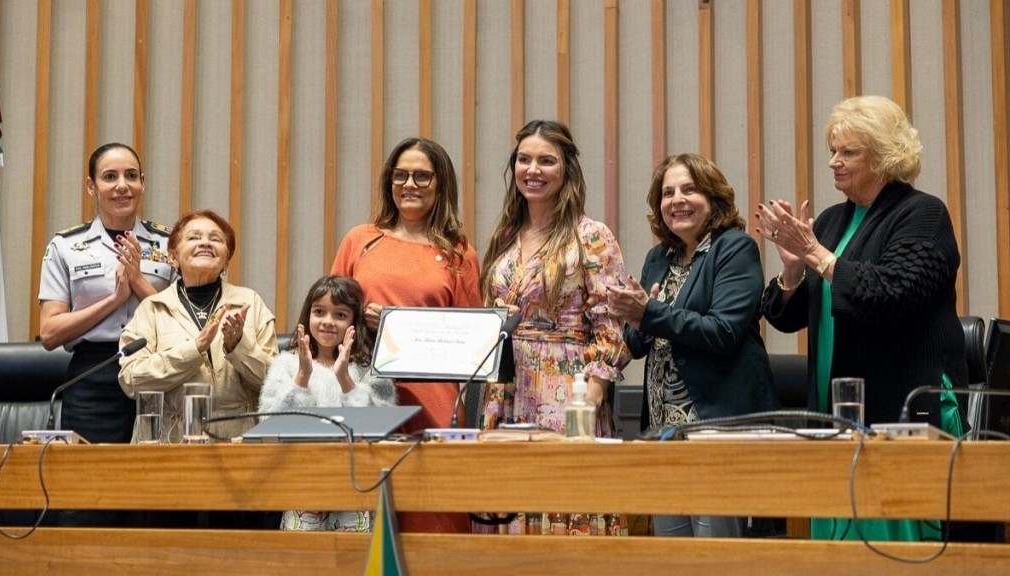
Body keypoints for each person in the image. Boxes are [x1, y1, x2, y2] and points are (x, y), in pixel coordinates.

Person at [756, 94, 967, 541]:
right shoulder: (832, 221)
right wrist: (793, 269)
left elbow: (890, 294)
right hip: (834, 415)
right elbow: (789, 316)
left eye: (848, 152)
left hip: (902, 409)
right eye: (832, 150)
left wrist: (814, 253)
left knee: (895, 550)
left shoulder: (923, 215)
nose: (833, 161)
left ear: (885, 156)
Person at [607, 152, 777, 538]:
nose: (676, 200)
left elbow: (724, 331)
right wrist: (632, 316)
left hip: (716, 426)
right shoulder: (659, 257)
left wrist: (649, 312)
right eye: (667, 193)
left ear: (713, 198)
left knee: (715, 554)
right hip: (665, 430)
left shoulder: (734, 249)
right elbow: (640, 341)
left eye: (689, 189)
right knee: (672, 551)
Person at [331, 137, 481, 533]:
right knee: (364, 515)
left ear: (440, 183)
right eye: (401, 175)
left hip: (436, 400)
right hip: (363, 391)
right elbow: (327, 316)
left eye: (422, 176)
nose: (410, 184)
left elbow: (472, 340)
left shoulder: (459, 252)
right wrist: (358, 317)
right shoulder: (360, 239)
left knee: (436, 518)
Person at [38, 142, 174, 527]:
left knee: (153, 498)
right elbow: (50, 333)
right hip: (94, 374)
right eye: (110, 176)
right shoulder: (65, 246)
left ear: (143, 183)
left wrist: (138, 285)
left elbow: (184, 321)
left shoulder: (171, 243)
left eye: (131, 176)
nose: (122, 185)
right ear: (91, 186)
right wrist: (114, 299)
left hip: (160, 373)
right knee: (86, 498)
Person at [478, 119, 630, 436]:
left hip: (565, 387)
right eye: (524, 159)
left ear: (566, 170)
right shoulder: (505, 236)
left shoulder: (591, 236)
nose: (533, 170)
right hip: (505, 383)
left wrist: (593, 394)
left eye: (546, 161)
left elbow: (611, 324)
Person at [118, 209, 278, 444]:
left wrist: (238, 347)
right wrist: (194, 349)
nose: (205, 242)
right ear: (173, 257)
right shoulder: (152, 308)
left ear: (226, 260)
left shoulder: (250, 303)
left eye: (216, 239)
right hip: (168, 446)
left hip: (239, 445)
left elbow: (275, 384)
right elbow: (132, 380)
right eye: (193, 237)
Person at [259, 275, 397, 531]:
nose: (328, 322)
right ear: (307, 316)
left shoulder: (370, 368)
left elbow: (381, 427)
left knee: (353, 560)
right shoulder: (287, 364)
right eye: (319, 312)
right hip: (303, 483)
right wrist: (302, 376)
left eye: (340, 315)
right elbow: (269, 423)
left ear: (354, 322)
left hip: (357, 484)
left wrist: (345, 378)